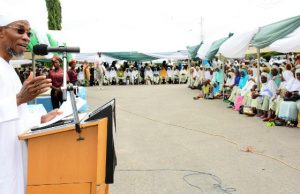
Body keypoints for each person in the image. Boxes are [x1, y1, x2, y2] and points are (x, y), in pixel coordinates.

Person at [0, 15, 62, 194]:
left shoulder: (8, 68)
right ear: (1, 32)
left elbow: (16, 116)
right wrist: (19, 98)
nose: (27, 37)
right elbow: (14, 104)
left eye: (28, 32)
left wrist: (41, 119)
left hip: (13, 159)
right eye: (20, 30)